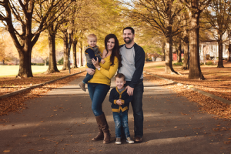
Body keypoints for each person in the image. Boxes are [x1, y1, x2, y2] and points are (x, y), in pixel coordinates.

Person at [86, 34, 122, 144]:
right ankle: (101, 132)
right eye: (108, 42)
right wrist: (87, 68)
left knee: (95, 106)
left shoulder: (115, 58)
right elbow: (88, 59)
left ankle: (106, 133)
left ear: (115, 44)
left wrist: (98, 67)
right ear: (105, 42)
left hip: (102, 83)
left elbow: (110, 74)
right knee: (96, 108)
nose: (110, 44)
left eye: (113, 42)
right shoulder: (99, 49)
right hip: (91, 82)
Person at [118, 27, 145, 143]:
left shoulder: (139, 50)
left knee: (137, 111)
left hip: (136, 84)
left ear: (133, 35)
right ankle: (124, 134)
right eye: (124, 34)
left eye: (129, 34)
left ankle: (138, 134)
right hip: (123, 84)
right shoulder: (119, 49)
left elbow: (139, 69)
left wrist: (132, 85)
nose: (126, 36)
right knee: (122, 110)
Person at [109, 73, 134, 145]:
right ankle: (118, 137)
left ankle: (128, 137)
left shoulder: (126, 90)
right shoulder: (113, 91)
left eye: (121, 82)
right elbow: (110, 99)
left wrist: (123, 101)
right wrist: (116, 101)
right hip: (115, 111)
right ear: (115, 82)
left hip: (124, 110)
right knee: (118, 124)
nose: (119, 83)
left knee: (125, 124)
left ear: (124, 82)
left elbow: (130, 98)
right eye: (117, 82)